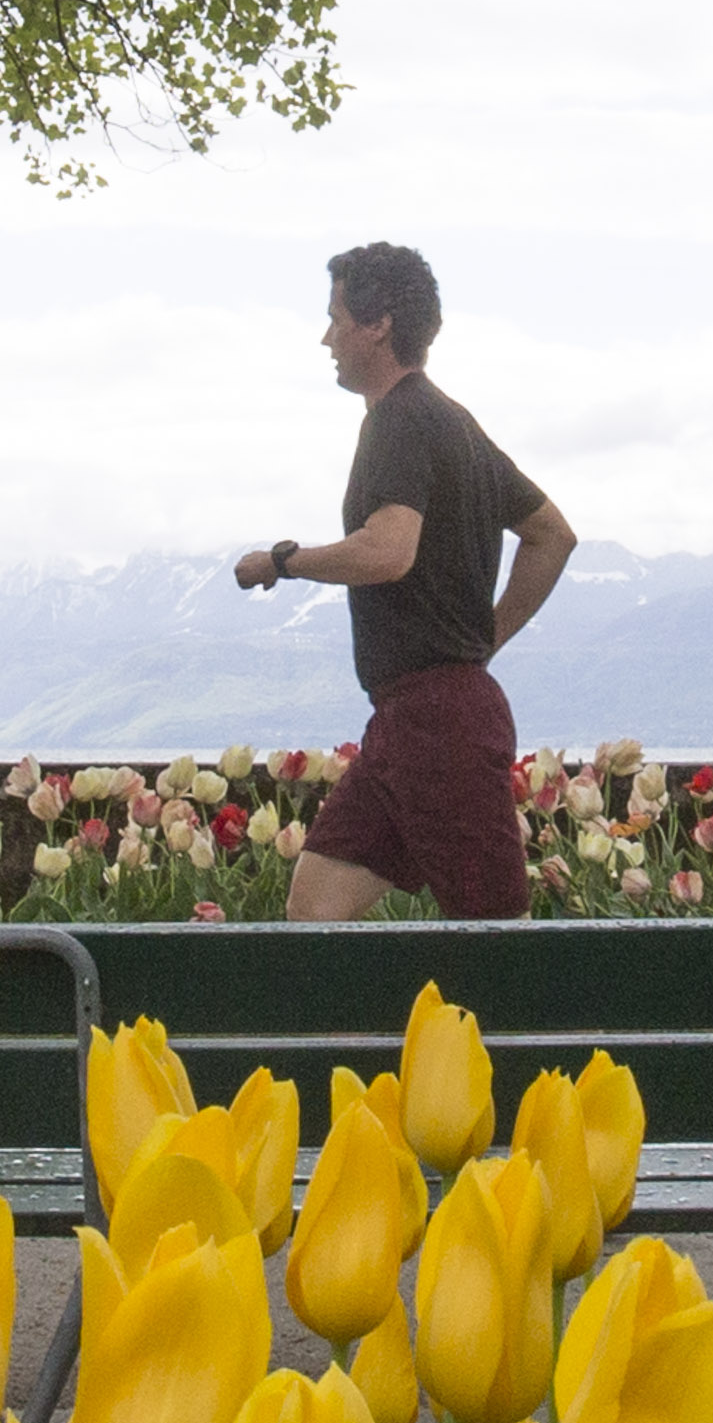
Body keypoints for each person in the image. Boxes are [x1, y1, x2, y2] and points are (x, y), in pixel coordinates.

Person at [231, 242, 575, 920]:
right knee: (313, 915)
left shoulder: (399, 421)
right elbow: (552, 535)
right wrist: (481, 646)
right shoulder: (452, 422)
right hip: (412, 718)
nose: (327, 337)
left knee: (498, 941)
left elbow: (389, 552)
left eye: (336, 319)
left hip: (438, 726)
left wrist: (282, 560)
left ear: (378, 323)